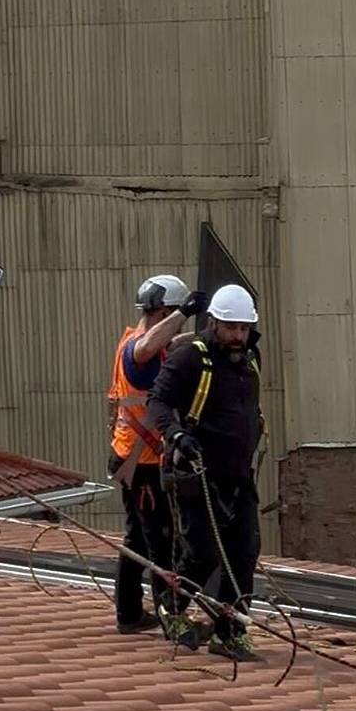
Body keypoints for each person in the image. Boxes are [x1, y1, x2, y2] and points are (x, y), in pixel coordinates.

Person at [145, 283, 265, 662]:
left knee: (245, 552)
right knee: (202, 555)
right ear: (213, 322)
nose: (238, 336)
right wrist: (177, 435)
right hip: (197, 474)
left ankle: (230, 632)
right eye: (232, 328)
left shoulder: (249, 360)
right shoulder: (190, 358)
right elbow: (157, 402)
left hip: (238, 475)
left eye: (244, 329)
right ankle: (172, 608)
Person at [107, 274, 207, 639]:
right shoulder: (138, 349)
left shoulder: (139, 344)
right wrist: (185, 312)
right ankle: (171, 618)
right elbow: (150, 348)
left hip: (129, 457)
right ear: (163, 311)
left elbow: (168, 344)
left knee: (136, 540)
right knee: (159, 542)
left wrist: (203, 334)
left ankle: (129, 613)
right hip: (142, 462)